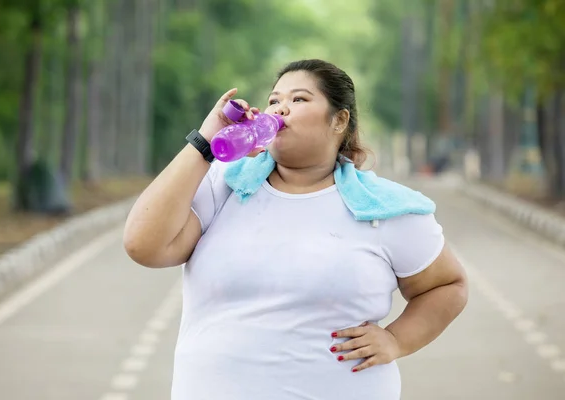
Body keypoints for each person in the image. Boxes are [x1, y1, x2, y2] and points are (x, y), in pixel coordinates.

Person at [123, 59, 468, 399]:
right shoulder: (225, 185)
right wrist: (206, 141)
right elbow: (144, 245)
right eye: (274, 100)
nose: (280, 109)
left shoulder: (382, 207)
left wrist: (396, 340)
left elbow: (448, 286)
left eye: (299, 99)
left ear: (339, 120)